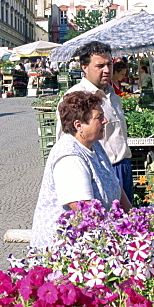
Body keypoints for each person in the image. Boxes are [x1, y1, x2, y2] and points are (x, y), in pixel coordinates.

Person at [31, 92, 131, 249]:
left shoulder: (94, 145)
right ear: (79, 125)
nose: (105, 121)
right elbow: (85, 211)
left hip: (94, 239)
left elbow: (115, 184)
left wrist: (133, 220)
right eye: (99, 118)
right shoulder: (69, 157)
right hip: (65, 250)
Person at [58, 42, 133, 202]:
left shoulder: (113, 94)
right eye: (100, 66)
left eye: (109, 64)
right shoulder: (76, 98)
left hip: (123, 166)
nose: (107, 70)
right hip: (100, 172)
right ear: (84, 67)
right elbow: (66, 144)